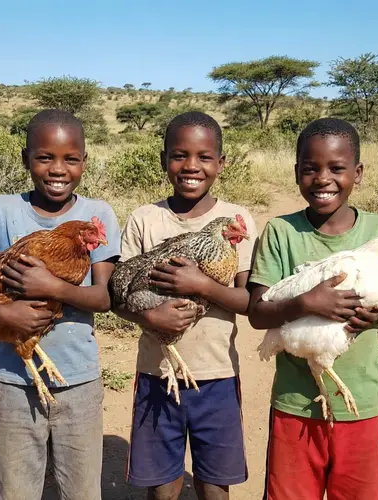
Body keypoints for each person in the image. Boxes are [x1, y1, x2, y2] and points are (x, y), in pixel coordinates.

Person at [0, 109, 121, 500]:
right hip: (13, 385)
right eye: (45, 157)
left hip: (79, 381)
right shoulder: (1, 210)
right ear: (26, 158)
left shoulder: (99, 215)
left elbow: (103, 297)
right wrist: (3, 312)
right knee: (16, 490)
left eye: (70, 159)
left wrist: (51, 286)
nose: (57, 169)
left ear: (84, 162)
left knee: (81, 490)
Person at [248, 117, 378, 500]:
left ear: (357, 173)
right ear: (296, 173)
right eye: (311, 168)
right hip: (295, 403)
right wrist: (308, 302)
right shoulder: (281, 231)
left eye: (337, 168)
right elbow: (258, 313)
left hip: (363, 402)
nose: (323, 178)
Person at [116, 111, 258, 500]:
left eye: (204, 157)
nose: (191, 166)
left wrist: (201, 284)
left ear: (221, 163)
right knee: (162, 485)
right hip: (157, 372)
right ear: (164, 160)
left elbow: (249, 300)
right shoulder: (145, 219)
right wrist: (148, 315)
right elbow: (119, 294)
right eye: (180, 155)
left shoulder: (238, 219)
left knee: (215, 483)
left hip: (218, 374)